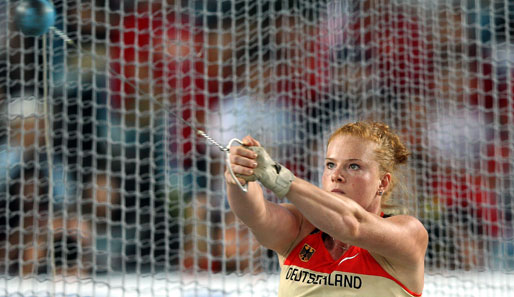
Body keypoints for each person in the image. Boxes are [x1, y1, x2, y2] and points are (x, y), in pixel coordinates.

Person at [225, 121, 428, 296]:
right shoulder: (301, 227)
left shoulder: (409, 233)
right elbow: (256, 215)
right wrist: (240, 177)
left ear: (382, 183)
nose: (336, 175)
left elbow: (352, 224)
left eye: (354, 166)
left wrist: (281, 178)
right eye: (330, 164)